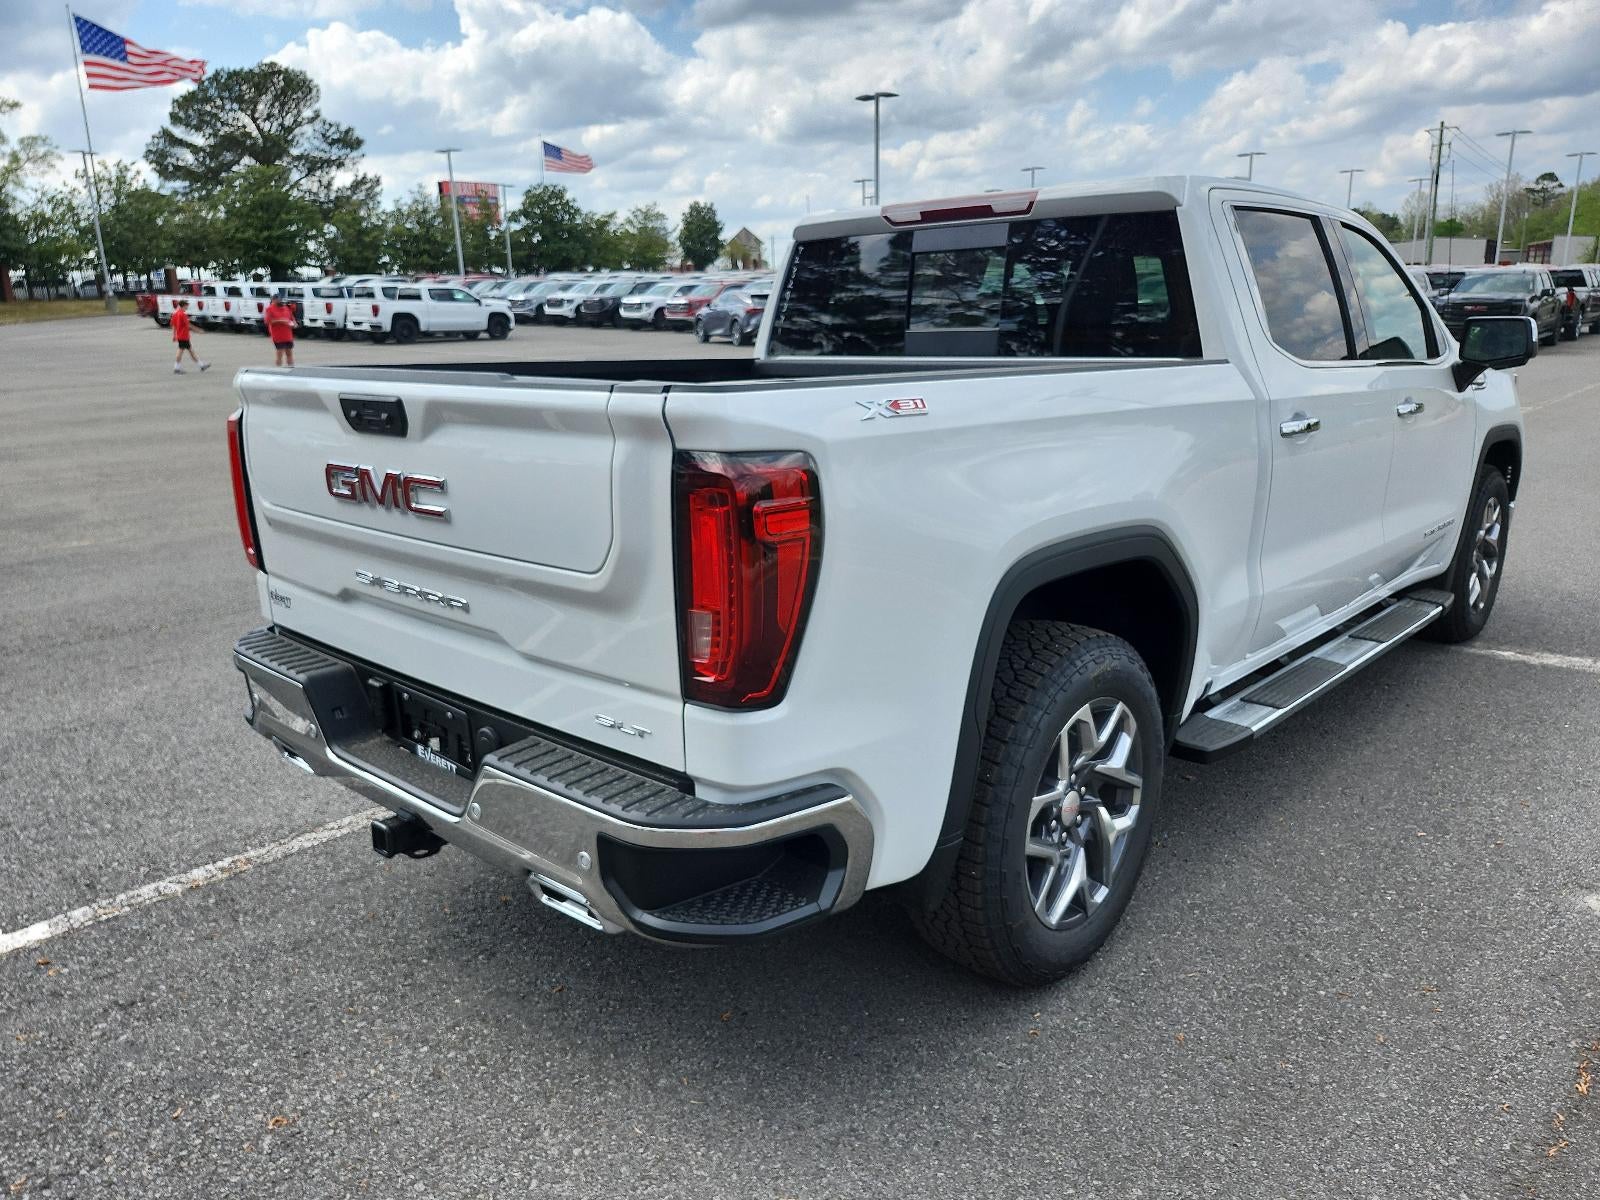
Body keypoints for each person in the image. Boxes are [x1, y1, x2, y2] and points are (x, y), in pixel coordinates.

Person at [170, 299, 208, 374]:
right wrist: (198, 330)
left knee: (190, 351)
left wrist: (174, 335)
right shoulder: (183, 314)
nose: (187, 307)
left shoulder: (175, 314)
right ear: (184, 305)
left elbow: (173, 325)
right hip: (184, 336)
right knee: (181, 351)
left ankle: (201, 365)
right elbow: (188, 325)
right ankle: (176, 368)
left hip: (180, 335)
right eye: (187, 306)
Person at [263, 292, 298, 367]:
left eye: (281, 299)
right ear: (274, 300)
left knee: (289, 353)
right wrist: (280, 320)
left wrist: (294, 323)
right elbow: (267, 321)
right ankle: (278, 370)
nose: (281, 301)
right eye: (278, 300)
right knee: (280, 354)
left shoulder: (286, 308)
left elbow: (291, 318)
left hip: (288, 335)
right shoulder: (270, 309)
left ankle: (291, 369)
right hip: (278, 336)